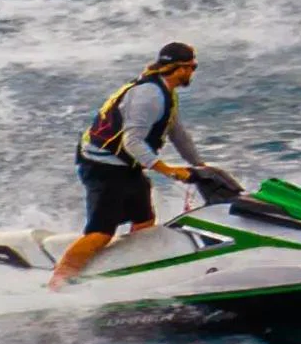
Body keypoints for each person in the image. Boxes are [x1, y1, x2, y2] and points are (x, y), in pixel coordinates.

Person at [53, 42, 206, 286]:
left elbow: (178, 133)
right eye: (191, 67)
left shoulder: (166, 93)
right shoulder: (150, 96)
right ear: (178, 68)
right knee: (101, 233)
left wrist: (200, 165)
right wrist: (167, 170)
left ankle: (131, 269)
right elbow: (132, 141)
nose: (192, 72)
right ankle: (59, 281)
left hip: (125, 167)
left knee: (144, 221)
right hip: (102, 167)